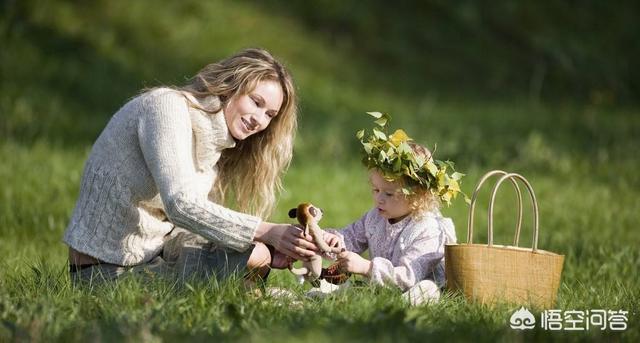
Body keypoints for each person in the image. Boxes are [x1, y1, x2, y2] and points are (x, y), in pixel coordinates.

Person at [63, 48, 320, 284]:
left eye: (270, 115)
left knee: (257, 254)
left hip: (153, 256)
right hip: (103, 273)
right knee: (254, 255)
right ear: (231, 86)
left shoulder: (214, 144)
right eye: (256, 101)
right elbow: (181, 204)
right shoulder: (166, 107)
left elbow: (189, 224)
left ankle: (256, 295)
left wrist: (275, 246)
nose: (259, 120)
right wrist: (266, 231)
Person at [322, 115, 462, 305]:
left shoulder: (428, 229)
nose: (379, 198)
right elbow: (352, 237)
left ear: (417, 195)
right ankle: (343, 296)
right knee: (344, 286)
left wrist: (367, 268)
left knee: (427, 289)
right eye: (376, 190)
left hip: (416, 285)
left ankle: (400, 306)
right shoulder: (375, 218)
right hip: (383, 285)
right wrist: (334, 240)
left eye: (388, 194)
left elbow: (409, 275)